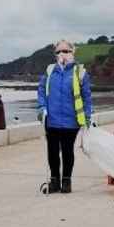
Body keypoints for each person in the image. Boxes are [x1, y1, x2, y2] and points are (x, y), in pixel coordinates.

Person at [36, 39, 93, 194]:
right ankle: (54, 181)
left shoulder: (80, 72)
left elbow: (87, 96)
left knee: (68, 151)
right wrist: (41, 108)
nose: (62, 54)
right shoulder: (49, 71)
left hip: (71, 120)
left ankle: (66, 181)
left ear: (72, 52)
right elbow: (41, 90)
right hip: (52, 119)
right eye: (59, 51)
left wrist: (87, 116)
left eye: (66, 51)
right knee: (52, 151)